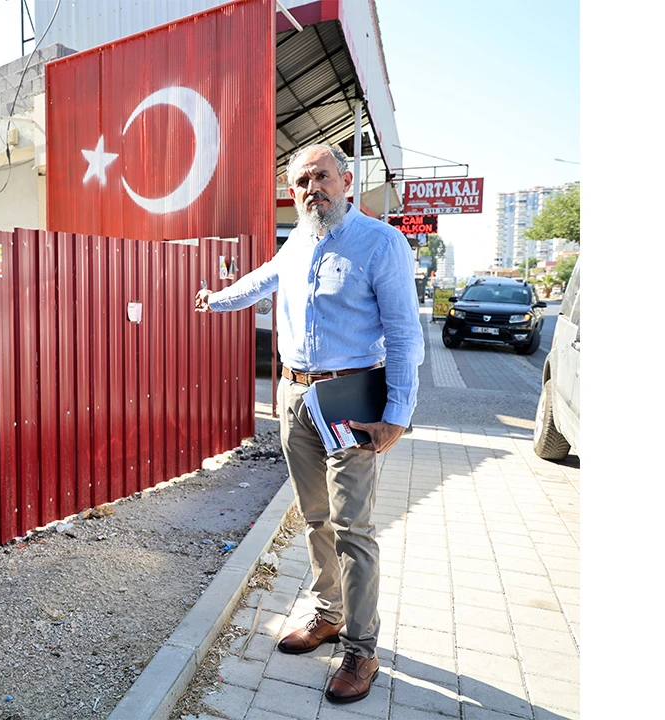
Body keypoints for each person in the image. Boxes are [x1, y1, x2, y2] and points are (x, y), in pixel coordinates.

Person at [194, 143, 424, 704]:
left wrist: (396, 415)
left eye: (322, 176)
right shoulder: (298, 240)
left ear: (346, 181)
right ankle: (328, 613)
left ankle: (362, 650)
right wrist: (214, 300)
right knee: (316, 517)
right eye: (301, 181)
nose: (311, 188)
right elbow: (260, 282)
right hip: (296, 398)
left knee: (353, 529)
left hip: (353, 400)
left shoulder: (381, 243)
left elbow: (404, 334)